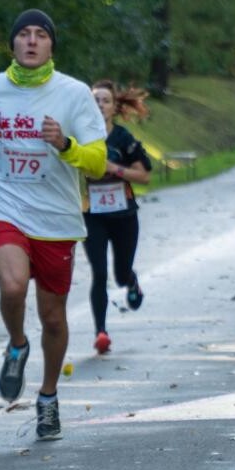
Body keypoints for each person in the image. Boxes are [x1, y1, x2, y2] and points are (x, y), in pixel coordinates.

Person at [0, 8, 107, 441]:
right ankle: (17, 344)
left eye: (40, 34)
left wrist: (65, 143)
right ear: (12, 43)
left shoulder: (75, 95)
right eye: (23, 33)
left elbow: (97, 163)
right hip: (3, 203)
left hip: (57, 218)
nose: (31, 41)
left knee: (55, 318)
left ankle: (47, 397)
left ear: (51, 45)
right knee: (12, 287)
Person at [83, 80, 152, 354]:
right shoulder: (78, 139)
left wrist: (113, 168)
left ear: (114, 107)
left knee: (120, 275)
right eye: (95, 100)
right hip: (92, 216)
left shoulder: (123, 139)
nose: (100, 105)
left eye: (105, 100)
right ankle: (101, 332)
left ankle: (131, 280)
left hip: (124, 215)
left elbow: (144, 176)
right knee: (99, 273)